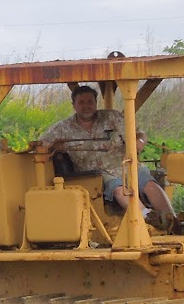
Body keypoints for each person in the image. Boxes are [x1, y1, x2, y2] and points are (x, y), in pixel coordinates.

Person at [37, 86, 175, 224]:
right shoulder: (62, 128)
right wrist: (53, 147)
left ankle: (172, 221)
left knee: (149, 184)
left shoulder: (112, 117)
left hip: (127, 165)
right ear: (73, 105)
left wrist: (139, 141)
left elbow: (140, 134)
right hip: (96, 175)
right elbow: (40, 145)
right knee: (119, 189)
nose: (86, 106)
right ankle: (149, 219)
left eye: (90, 101)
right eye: (81, 102)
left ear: (96, 103)